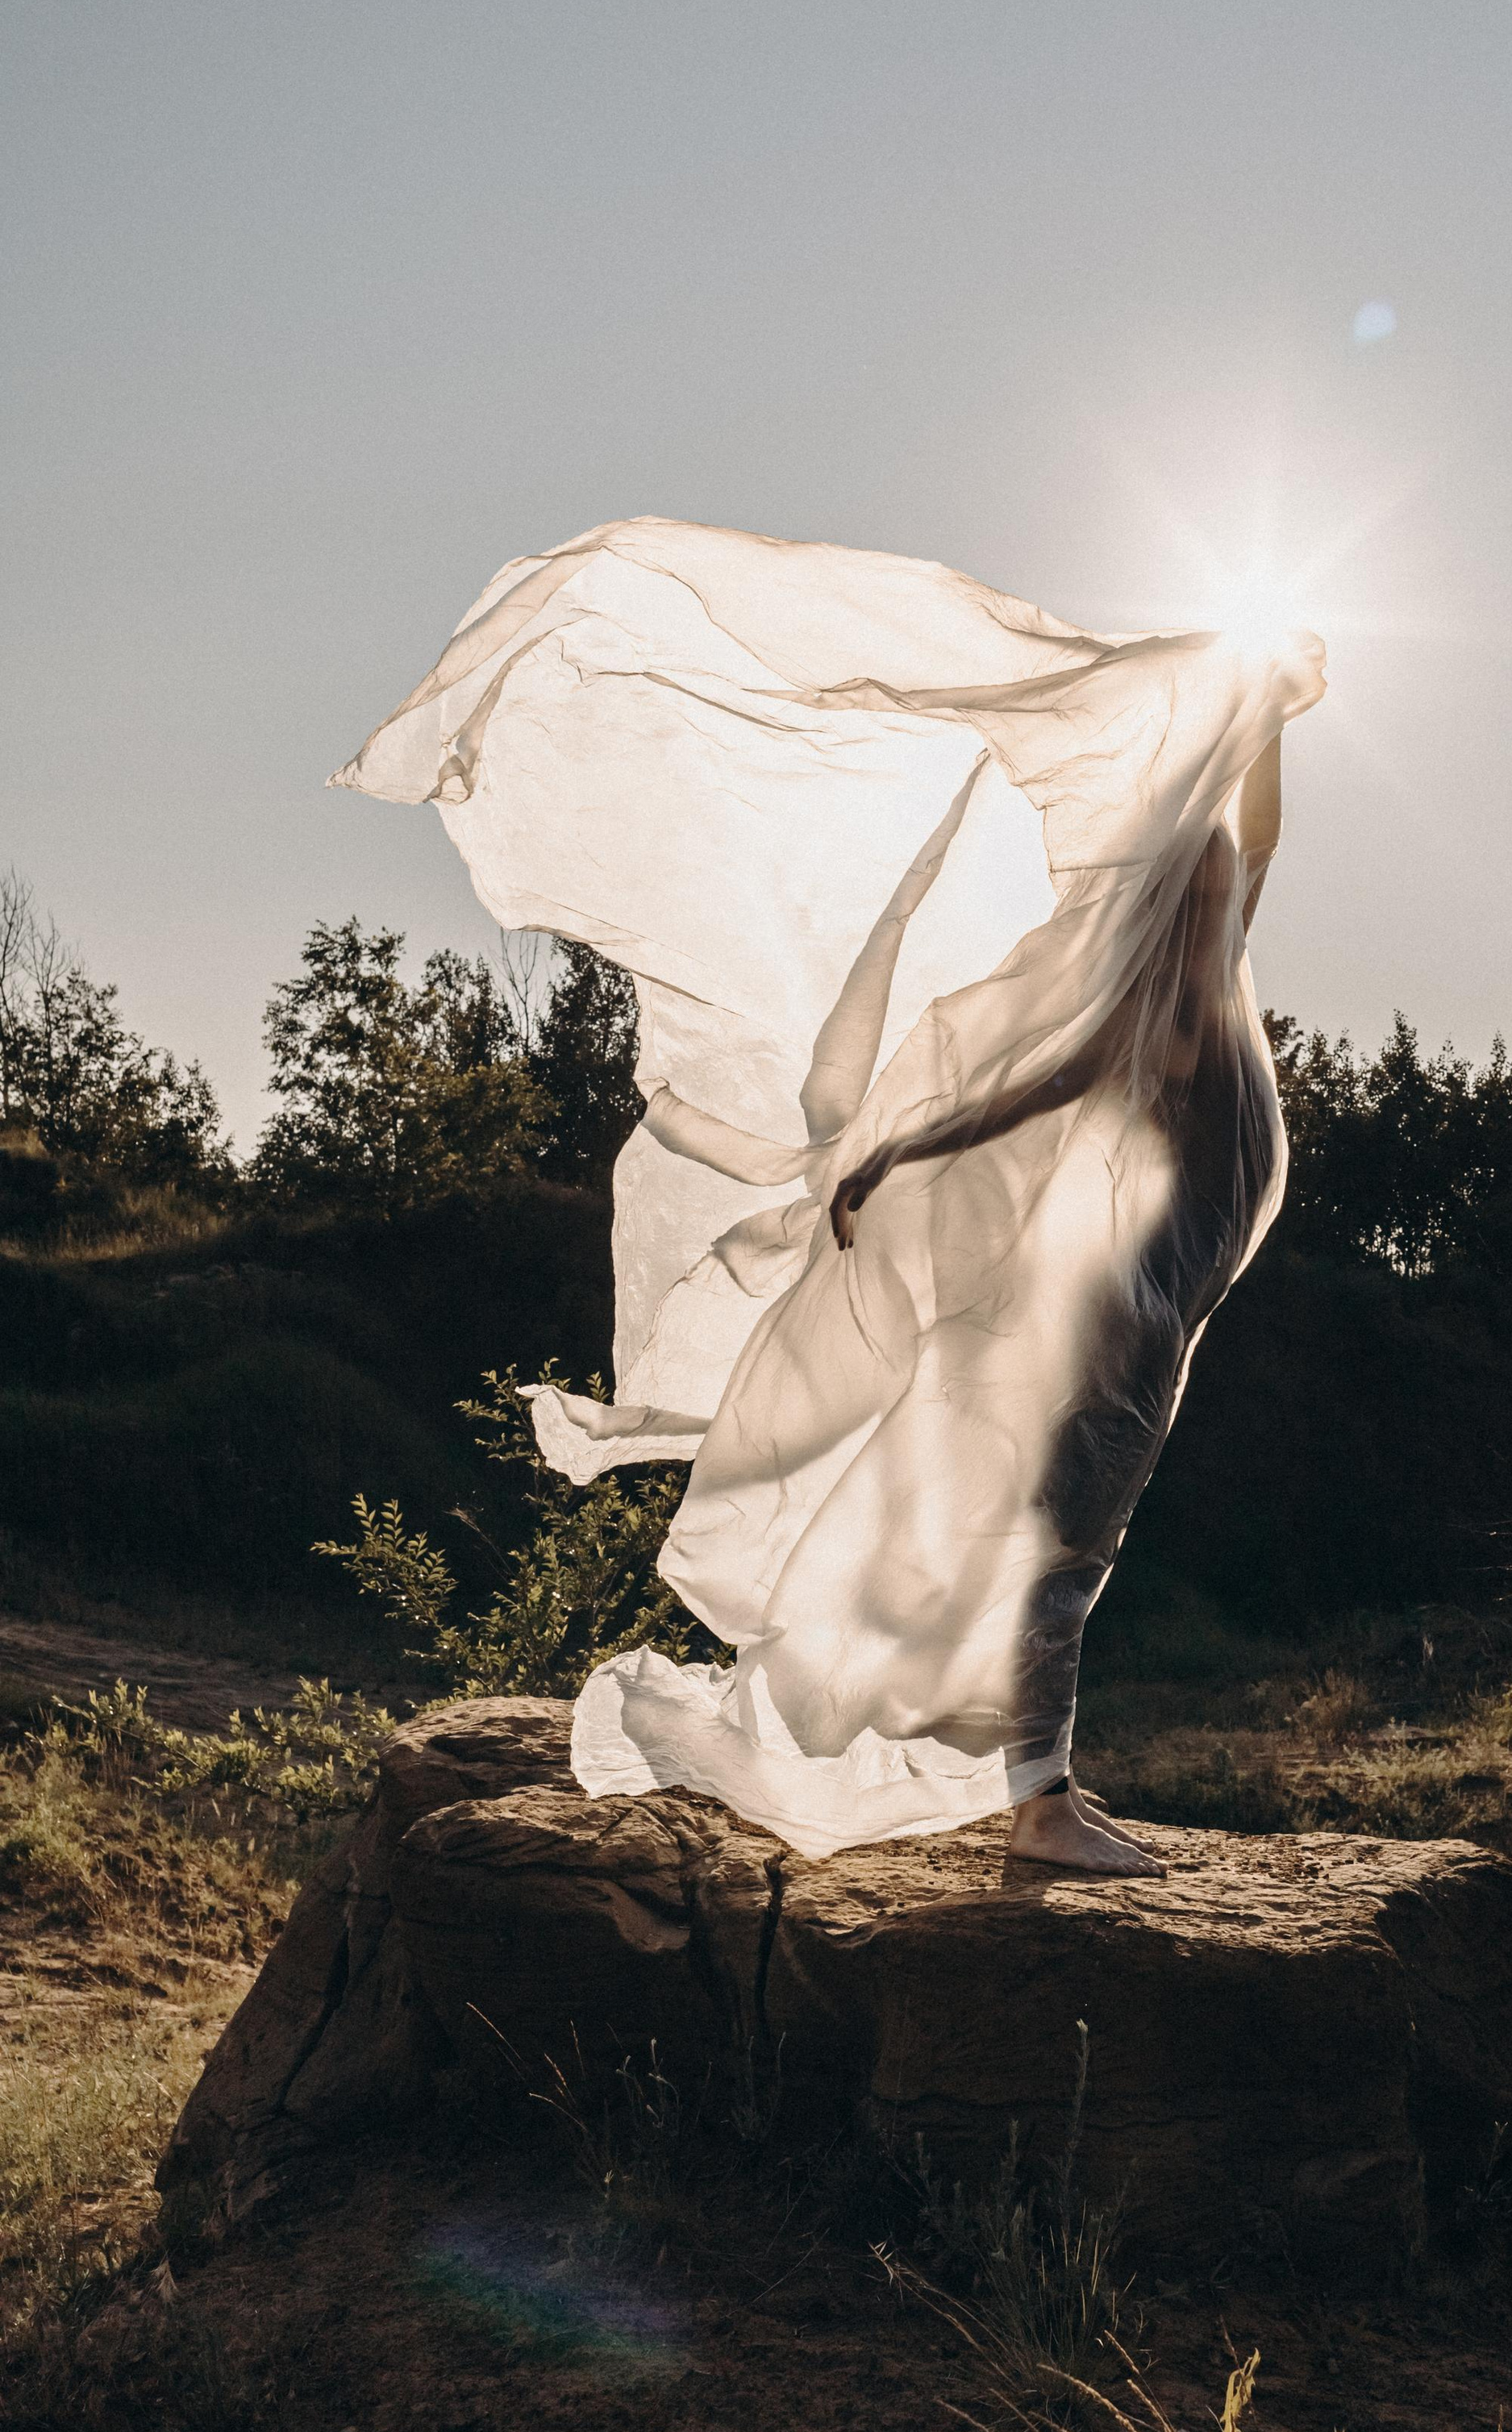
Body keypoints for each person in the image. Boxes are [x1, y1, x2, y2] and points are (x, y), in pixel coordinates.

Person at [337, 518, 1323, 1872]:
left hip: (1169, 1260)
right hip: (1130, 1270)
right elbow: (1045, 1079)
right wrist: (900, 1149)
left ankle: (1034, 1779)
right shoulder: (1145, 946)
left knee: (1077, 1507)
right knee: (1061, 1510)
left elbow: (1255, 831)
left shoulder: (1211, 928)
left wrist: (1269, 711)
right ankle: (1039, 1796)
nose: (1224, 859)